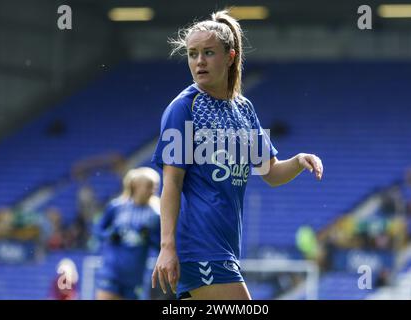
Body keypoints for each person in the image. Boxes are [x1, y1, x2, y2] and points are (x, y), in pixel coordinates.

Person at [150, 10, 324, 300]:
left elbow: (271, 173)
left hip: (227, 247)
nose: (199, 61)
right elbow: (172, 183)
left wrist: (297, 162)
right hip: (200, 247)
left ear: (230, 57)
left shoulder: (244, 109)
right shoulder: (183, 108)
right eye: (192, 54)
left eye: (208, 52)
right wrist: (167, 247)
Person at [94, 167, 161, 300]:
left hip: (135, 277)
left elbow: (161, 245)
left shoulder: (156, 214)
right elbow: (97, 230)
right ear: (136, 185)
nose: (153, 190)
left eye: (155, 187)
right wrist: (110, 235)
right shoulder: (116, 207)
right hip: (112, 273)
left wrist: (149, 236)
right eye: (149, 186)